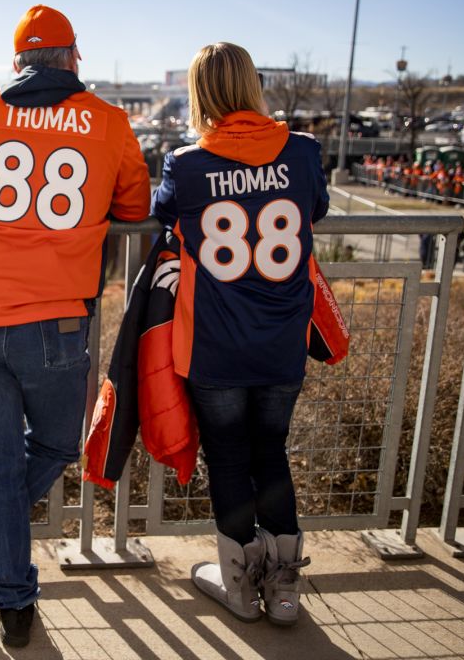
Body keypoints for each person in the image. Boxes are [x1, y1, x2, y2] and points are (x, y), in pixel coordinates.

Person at [0, 4, 150, 648]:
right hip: (54, 318)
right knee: (51, 446)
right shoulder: (106, 121)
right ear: (73, 59)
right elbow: (133, 206)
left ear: (18, 62)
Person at [151, 42, 327, 626]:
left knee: (227, 458)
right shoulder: (303, 153)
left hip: (216, 345)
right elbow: (316, 207)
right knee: (271, 454)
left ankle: (240, 589)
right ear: (253, 86)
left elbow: (163, 212)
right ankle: (283, 591)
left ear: (200, 94)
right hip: (282, 342)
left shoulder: (188, 163)